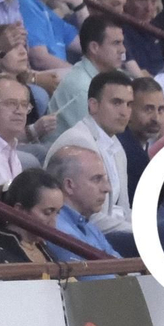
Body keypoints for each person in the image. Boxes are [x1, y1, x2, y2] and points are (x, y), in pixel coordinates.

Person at [43, 69, 135, 238]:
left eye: (129, 104)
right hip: (80, 235)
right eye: (116, 103)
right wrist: (140, 232)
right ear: (93, 105)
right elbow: (88, 217)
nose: (124, 112)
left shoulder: (117, 145)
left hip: (112, 232)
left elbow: (124, 208)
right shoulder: (78, 142)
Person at [41, 146, 121, 259]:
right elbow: (97, 276)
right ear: (69, 185)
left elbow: (120, 265)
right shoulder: (60, 232)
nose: (107, 188)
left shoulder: (89, 226)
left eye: (105, 179)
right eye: (97, 179)